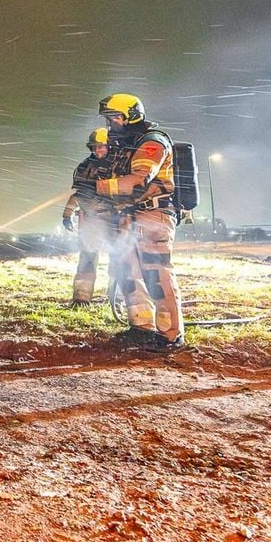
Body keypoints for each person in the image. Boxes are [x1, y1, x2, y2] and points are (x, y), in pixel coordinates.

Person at [87, 93, 184, 350]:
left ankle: (169, 335)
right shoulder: (125, 145)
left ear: (132, 116)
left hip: (153, 215)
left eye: (115, 118)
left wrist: (95, 186)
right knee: (127, 270)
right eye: (108, 119)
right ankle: (141, 328)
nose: (111, 124)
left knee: (155, 273)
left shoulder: (152, 142)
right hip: (128, 216)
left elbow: (138, 180)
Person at [61, 127, 121, 305]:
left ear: (110, 145)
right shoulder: (85, 167)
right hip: (91, 220)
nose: (97, 150)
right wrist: (67, 215)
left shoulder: (122, 165)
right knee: (87, 259)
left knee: (118, 259)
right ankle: (81, 298)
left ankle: (116, 298)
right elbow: (77, 196)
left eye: (101, 146)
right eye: (94, 147)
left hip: (115, 219)